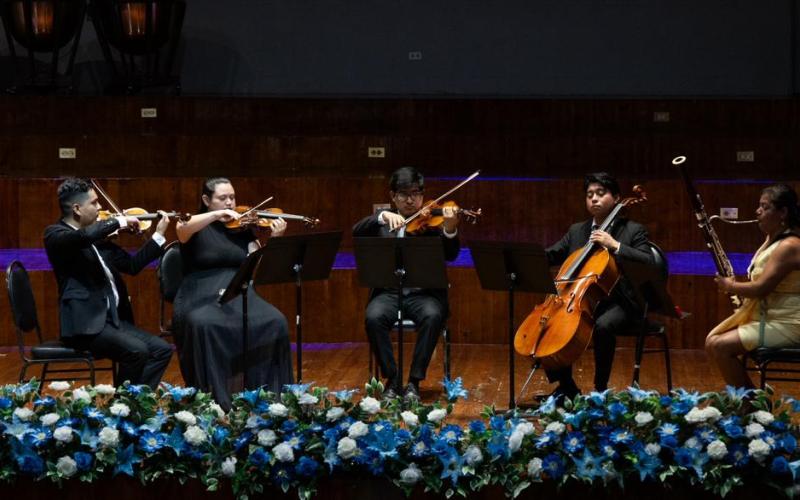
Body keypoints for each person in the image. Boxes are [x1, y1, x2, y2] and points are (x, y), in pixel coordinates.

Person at [173, 177, 293, 409]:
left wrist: (275, 240)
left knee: (276, 321)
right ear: (206, 200)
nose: (230, 203)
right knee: (204, 324)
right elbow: (181, 229)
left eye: (232, 197)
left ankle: (269, 399)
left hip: (239, 291)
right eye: (222, 198)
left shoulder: (242, 230)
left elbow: (257, 264)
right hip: (200, 293)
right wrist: (217, 215)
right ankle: (214, 401)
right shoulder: (194, 225)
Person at [43, 177, 173, 388]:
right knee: (136, 351)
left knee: (162, 350)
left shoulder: (98, 240)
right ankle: (119, 410)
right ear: (77, 208)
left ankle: (135, 403)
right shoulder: (56, 235)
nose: (100, 207)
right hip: (85, 326)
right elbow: (82, 237)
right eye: (94, 203)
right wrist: (118, 221)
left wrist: (158, 236)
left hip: (112, 322)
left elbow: (132, 266)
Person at [353, 166, 461, 401]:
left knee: (433, 316)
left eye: (416, 194)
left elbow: (451, 254)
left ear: (423, 196)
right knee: (373, 317)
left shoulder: (432, 224)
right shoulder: (382, 223)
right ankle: (392, 379)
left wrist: (450, 229)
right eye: (404, 195)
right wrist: (380, 216)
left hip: (424, 294)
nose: (411, 200)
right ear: (393, 196)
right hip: (389, 292)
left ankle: (413, 382)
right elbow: (355, 231)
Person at [543, 172, 654, 399]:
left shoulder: (633, 230)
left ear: (616, 198)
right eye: (589, 194)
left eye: (600, 194)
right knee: (549, 325)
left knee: (603, 326)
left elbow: (649, 261)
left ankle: (600, 390)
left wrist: (615, 245)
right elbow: (553, 254)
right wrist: (526, 258)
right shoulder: (578, 231)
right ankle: (567, 387)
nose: (594, 198)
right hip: (582, 299)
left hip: (621, 301)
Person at [706, 184, 800, 388]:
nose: (757, 211)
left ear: (783, 212)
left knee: (720, 346)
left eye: (764, 207)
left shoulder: (789, 246)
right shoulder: (771, 240)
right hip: (772, 318)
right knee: (712, 343)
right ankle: (750, 403)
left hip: (790, 322)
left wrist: (730, 286)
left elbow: (761, 288)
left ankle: (750, 405)